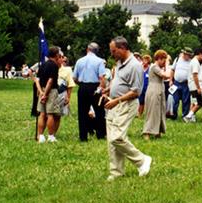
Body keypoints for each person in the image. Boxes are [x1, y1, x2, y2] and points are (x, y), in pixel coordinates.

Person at [103, 37, 152, 180]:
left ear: (123, 48)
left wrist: (117, 100)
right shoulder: (119, 62)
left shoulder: (135, 66)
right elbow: (119, 81)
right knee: (111, 141)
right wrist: (108, 90)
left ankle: (142, 160)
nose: (112, 54)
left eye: (114, 51)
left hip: (126, 104)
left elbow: (136, 91)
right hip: (114, 104)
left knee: (117, 137)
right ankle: (116, 172)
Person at [72, 42, 107, 142]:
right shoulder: (100, 61)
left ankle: (83, 136)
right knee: (99, 111)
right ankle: (100, 134)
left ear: (87, 49)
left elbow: (74, 78)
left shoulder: (79, 61)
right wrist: (101, 88)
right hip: (95, 87)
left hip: (83, 87)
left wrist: (82, 85)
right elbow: (102, 77)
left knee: (82, 112)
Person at [35, 47, 63, 143]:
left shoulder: (42, 65)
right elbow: (50, 81)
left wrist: (41, 93)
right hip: (51, 91)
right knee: (50, 114)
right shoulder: (54, 66)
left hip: (42, 90)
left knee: (42, 114)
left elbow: (37, 80)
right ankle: (51, 136)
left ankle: (41, 136)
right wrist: (46, 94)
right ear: (56, 55)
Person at [142, 50, 171, 139]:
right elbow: (167, 75)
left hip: (160, 89)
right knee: (152, 111)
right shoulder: (154, 67)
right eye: (163, 61)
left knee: (160, 111)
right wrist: (167, 65)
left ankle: (157, 131)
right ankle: (147, 132)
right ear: (159, 59)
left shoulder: (158, 67)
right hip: (153, 90)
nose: (164, 63)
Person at [168, 47, 193, 120]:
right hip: (176, 83)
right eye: (186, 54)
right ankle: (173, 115)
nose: (187, 56)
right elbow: (172, 70)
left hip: (186, 83)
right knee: (174, 99)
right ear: (184, 54)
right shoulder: (177, 59)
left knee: (186, 100)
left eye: (189, 55)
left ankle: (185, 115)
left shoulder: (191, 62)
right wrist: (170, 80)